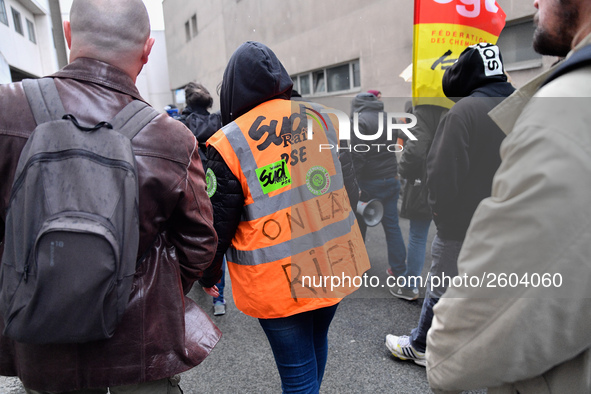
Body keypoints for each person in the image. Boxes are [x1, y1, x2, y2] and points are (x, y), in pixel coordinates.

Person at [0, 0, 220, 392]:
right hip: (135, 346)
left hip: (39, 341)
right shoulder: (171, 138)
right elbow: (199, 244)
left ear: (68, 32)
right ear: (147, 51)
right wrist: (146, 290)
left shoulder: (6, 110)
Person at [426, 1, 591, 392]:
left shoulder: (563, 103)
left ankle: (417, 339)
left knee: (442, 284)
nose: (535, 2)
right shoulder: (519, 99)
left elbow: (459, 350)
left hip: (470, 230)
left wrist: (446, 221)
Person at [203, 41, 370, 393]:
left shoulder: (228, 142)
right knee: (315, 346)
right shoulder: (324, 118)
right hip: (332, 264)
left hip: (276, 282)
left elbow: (216, 224)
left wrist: (207, 273)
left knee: (297, 373)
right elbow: (351, 191)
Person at [386, 43, 515, 367]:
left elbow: (442, 172)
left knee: (441, 284)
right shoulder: (522, 105)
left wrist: (440, 213)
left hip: (461, 219)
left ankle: (421, 344)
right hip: (509, 216)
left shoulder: (463, 111)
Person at [349, 92, 409, 297]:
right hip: (391, 179)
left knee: (360, 226)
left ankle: (357, 267)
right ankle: (400, 272)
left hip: (369, 183)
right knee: (392, 227)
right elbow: (405, 139)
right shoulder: (389, 119)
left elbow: (357, 156)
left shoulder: (360, 122)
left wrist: (354, 185)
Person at [179, 82, 227, 315]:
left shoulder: (181, 124)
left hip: (191, 189)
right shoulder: (218, 121)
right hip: (217, 185)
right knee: (217, 237)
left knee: (194, 235)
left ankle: (197, 278)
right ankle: (219, 298)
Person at [396, 103, 448, 300]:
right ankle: (447, 288)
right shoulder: (454, 106)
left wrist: (403, 170)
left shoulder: (420, 110)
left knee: (418, 235)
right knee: (450, 236)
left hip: (422, 180)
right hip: (451, 175)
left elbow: (416, 149)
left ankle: (410, 286)